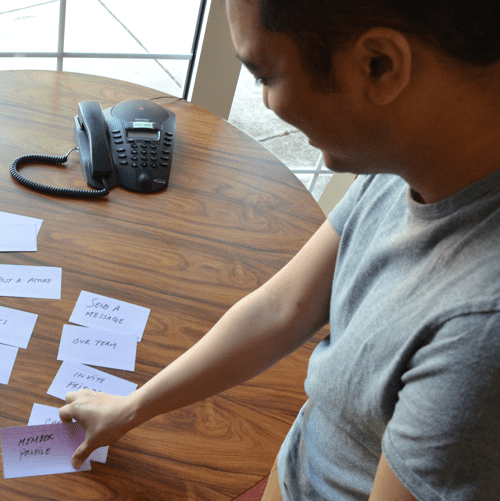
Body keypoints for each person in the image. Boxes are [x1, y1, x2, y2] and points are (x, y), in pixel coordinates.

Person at [60, 0, 500, 499]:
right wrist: (131, 407)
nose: (267, 104)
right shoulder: (412, 154)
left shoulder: (479, 336)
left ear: (379, 66)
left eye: (266, 75)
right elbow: (281, 310)